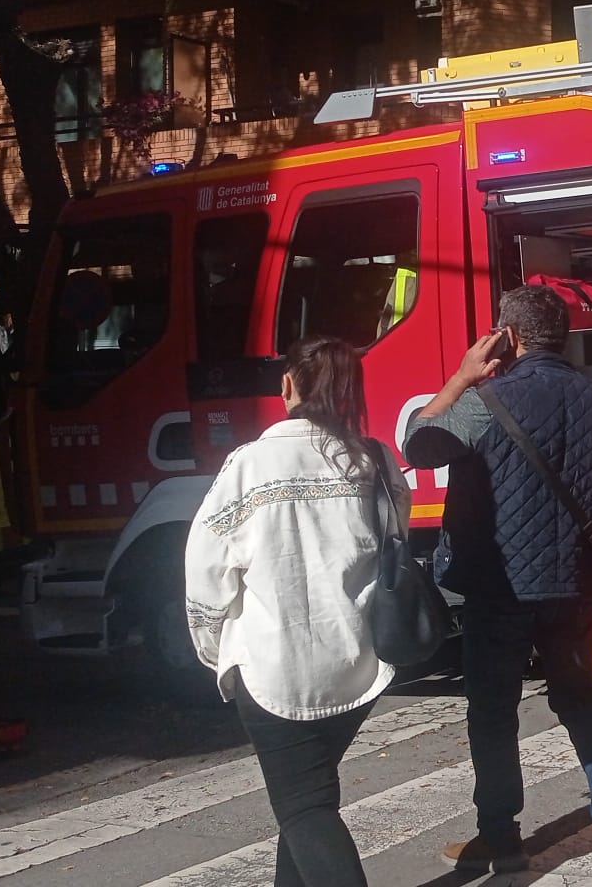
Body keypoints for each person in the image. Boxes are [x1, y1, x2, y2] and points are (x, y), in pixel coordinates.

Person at [402, 285, 592, 876]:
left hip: (499, 586)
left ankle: (502, 836)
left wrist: (461, 377)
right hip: (573, 581)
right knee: (578, 693)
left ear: (507, 338)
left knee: (493, 710)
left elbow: (417, 445)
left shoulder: (487, 399)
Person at [184, 336, 407, 887]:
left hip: (274, 671)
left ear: (287, 386)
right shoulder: (374, 461)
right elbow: (396, 540)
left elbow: (207, 569)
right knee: (305, 798)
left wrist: (211, 647)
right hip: (358, 664)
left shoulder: (249, 465)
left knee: (305, 809)